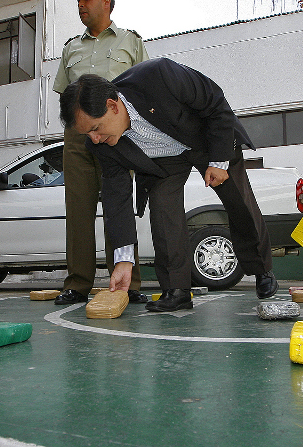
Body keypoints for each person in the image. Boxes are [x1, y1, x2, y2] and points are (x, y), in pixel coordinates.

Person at [58, 58, 279, 312]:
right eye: (88, 134)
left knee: (237, 199)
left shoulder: (159, 76)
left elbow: (215, 102)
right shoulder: (101, 145)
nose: (95, 139)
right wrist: (123, 260)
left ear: (113, 105)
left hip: (206, 140)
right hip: (163, 162)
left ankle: (262, 269)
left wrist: (219, 161)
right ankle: (177, 290)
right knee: (163, 211)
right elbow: (115, 197)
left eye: (96, 128)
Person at [52, 0, 149, 306]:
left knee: (117, 206)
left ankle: (128, 281)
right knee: (77, 211)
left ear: (106, 1)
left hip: (115, 137)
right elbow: (64, 96)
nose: (81, 4)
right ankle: (78, 282)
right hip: (78, 141)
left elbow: (142, 89)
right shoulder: (70, 48)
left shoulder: (130, 42)